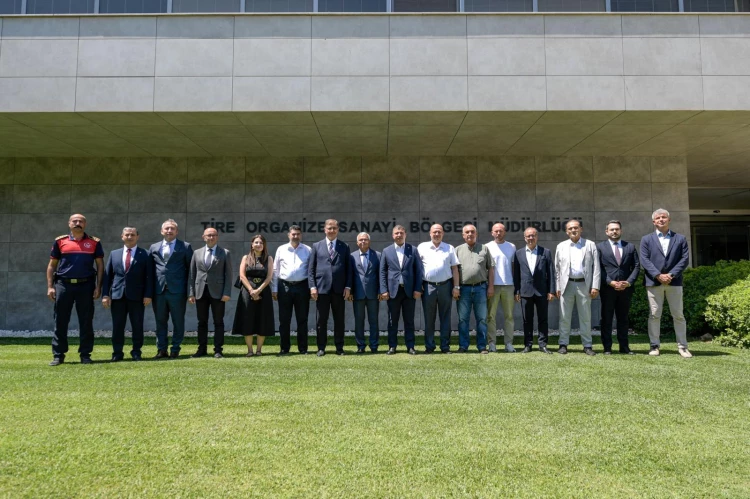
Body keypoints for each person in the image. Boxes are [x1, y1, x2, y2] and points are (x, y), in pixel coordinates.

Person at [46, 214, 104, 366]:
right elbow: (52, 265)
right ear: (69, 223)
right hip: (63, 285)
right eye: (75, 221)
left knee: (86, 321)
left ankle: (85, 354)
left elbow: (100, 266)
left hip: (86, 285)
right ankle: (58, 355)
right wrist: (50, 287)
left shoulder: (94, 242)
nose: (78, 223)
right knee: (60, 320)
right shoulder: (60, 241)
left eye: (81, 221)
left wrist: (98, 286)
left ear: (85, 224)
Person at [640, 208, 692, 358]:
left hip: (674, 282)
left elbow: (684, 259)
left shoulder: (680, 238)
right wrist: (658, 275)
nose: (661, 219)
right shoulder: (646, 239)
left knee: (678, 315)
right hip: (654, 282)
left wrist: (671, 275)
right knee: (654, 315)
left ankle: (683, 347)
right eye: (658, 218)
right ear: (653, 221)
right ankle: (654, 346)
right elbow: (644, 260)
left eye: (664, 217)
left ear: (669, 220)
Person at [101, 227, 152, 362]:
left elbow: (149, 277)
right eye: (127, 235)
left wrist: (148, 294)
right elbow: (108, 276)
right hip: (118, 296)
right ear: (122, 236)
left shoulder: (145, 254)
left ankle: (136, 352)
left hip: (137, 297)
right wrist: (105, 295)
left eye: (132, 235)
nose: (130, 237)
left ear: (137, 237)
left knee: (137, 325)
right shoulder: (114, 254)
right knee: (117, 326)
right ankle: (117, 353)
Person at [148, 219, 193, 359]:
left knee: (178, 321)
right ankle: (161, 350)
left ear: (177, 231)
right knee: (160, 322)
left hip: (177, 291)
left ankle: (175, 349)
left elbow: (191, 271)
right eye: (167, 228)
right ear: (162, 231)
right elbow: (150, 271)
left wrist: (190, 292)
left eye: (172, 228)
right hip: (159, 291)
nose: (169, 231)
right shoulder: (154, 247)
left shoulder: (185, 247)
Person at [554, 220, 600, 356]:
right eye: (570, 228)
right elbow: (557, 269)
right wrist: (557, 286)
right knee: (564, 317)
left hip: (584, 285)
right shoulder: (561, 246)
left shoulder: (590, 245)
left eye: (576, 228)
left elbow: (596, 267)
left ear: (581, 229)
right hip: (566, 285)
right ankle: (563, 344)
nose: (573, 230)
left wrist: (595, 286)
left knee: (585, 317)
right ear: (566, 231)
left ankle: (587, 345)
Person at [308, 219, 352, 356]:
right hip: (321, 289)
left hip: (339, 290)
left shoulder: (344, 246)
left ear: (338, 230)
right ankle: (321, 347)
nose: (332, 230)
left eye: (334, 228)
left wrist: (348, 287)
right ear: (325, 229)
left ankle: (339, 347)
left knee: (339, 320)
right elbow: (311, 269)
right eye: (329, 228)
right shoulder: (316, 246)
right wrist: (312, 287)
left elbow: (349, 269)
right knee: (321, 320)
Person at [188, 227, 233, 359]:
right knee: (202, 322)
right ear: (204, 237)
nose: (211, 237)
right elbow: (192, 274)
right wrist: (191, 293)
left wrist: (227, 292)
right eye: (209, 235)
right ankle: (201, 349)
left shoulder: (225, 253)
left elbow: (228, 275)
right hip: (200, 292)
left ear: (217, 237)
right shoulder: (197, 253)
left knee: (218, 322)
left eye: (214, 235)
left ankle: (218, 350)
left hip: (218, 293)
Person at [597, 220, 640, 355]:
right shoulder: (600, 247)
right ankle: (607, 347)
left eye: (617, 229)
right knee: (607, 318)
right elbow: (598, 268)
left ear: (621, 231)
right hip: (608, 289)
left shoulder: (630, 247)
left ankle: (624, 347)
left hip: (625, 289)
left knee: (623, 319)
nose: (614, 231)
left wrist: (628, 282)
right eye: (611, 229)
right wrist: (610, 282)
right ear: (607, 232)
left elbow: (636, 266)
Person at [380, 225, 423, 355]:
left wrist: (417, 289)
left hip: (409, 291)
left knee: (409, 320)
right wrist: (384, 290)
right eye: (396, 233)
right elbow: (382, 272)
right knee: (392, 320)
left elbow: (418, 271)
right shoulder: (386, 251)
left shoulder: (413, 250)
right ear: (393, 235)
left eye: (401, 233)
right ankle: (392, 346)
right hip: (393, 291)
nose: (399, 235)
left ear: (405, 235)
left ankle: (410, 346)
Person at [418, 224, 460, 354]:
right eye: (434, 232)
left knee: (445, 317)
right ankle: (429, 346)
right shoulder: (422, 247)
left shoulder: (449, 248)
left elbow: (455, 268)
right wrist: (418, 286)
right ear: (430, 233)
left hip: (445, 286)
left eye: (439, 232)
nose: (437, 234)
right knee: (429, 318)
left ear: (443, 234)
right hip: (428, 286)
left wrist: (456, 287)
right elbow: (417, 268)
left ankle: (445, 347)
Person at [513, 227, 555, 354]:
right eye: (528, 236)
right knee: (527, 320)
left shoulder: (545, 252)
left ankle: (543, 344)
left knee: (543, 319)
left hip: (542, 291)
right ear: (524, 238)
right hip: (525, 292)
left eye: (533, 235)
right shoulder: (518, 253)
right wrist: (517, 291)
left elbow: (551, 273)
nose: (531, 238)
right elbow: (516, 274)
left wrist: (551, 291)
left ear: (537, 237)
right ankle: (528, 345)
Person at [232, 234, 275, 356]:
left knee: (262, 319)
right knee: (248, 319)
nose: (258, 244)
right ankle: (250, 350)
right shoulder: (245, 258)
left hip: (264, 292)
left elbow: (269, 277)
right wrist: (251, 290)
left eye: (261, 243)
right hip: (247, 292)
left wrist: (258, 290)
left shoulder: (269, 258)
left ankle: (259, 350)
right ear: (252, 244)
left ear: (264, 245)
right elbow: (242, 276)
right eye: (256, 242)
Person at [272, 225, 312, 355]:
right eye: (293, 234)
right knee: (284, 319)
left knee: (302, 319)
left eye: (298, 234)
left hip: (302, 286)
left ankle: (303, 348)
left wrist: (311, 288)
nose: (295, 236)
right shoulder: (281, 249)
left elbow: (311, 271)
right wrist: (274, 289)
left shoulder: (308, 250)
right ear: (288, 235)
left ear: (301, 235)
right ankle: (284, 348)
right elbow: (275, 270)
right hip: (284, 287)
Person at [455, 224, 494, 354]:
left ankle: (482, 346)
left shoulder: (484, 249)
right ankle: (463, 346)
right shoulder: (457, 250)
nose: (470, 234)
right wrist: (456, 288)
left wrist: (491, 287)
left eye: (472, 232)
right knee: (463, 319)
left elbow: (491, 268)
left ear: (476, 234)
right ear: (463, 235)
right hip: (463, 289)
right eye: (467, 232)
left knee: (482, 319)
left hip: (481, 288)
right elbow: (454, 270)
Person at [486, 223, 517, 353]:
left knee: (509, 316)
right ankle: (492, 343)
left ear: (505, 232)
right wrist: (490, 286)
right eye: (496, 231)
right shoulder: (487, 247)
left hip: (509, 285)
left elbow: (514, 267)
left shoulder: (512, 247)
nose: (498, 233)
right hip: (493, 285)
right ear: (492, 233)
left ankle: (508, 343)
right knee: (490, 316)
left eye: (501, 231)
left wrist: (516, 287)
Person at [349, 232, 381, 353]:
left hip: (373, 294)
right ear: (357, 242)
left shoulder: (377, 255)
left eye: (365, 239)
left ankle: (374, 346)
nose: (363, 241)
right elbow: (350, 275)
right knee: (359, 321)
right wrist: (350, 291)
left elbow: (381, 274)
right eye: (361, 240)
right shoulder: (352, 256)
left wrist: (381, 290)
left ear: (369, 241)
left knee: (374, 321)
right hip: (358, 294)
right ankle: (360, 346)